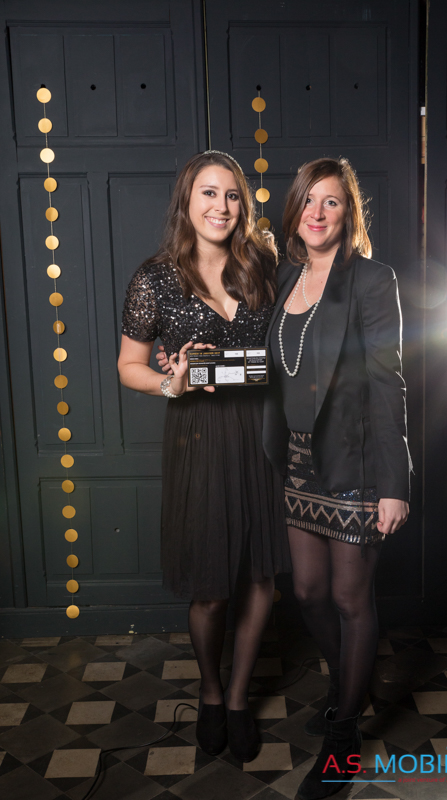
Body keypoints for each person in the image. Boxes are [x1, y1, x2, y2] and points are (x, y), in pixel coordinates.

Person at [118, 151, 291, 764]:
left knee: (262, 575)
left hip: (261, 430)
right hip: (198, 434)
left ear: (244, 205)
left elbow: (297, 336)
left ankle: (239, 697)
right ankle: (211, 692)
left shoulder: (263, 266)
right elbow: (129, 366)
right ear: (186, 203)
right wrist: (173, 383)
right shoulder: (155, 278)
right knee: (211, 586)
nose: (221, 206)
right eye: (209, 194)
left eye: (232, 195)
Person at [262, 157, 411, 800]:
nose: (317, 213)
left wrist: (394, 483)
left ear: (349, 213)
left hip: (354, 463)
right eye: (308, 201)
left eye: (332, 202)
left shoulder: (373, 280)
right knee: (309, 592)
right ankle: (347, 681)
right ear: (294, 210)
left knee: (352, 600)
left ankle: (344, 730)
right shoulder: (284, 275)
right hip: (298, 462)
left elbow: (388, 382)